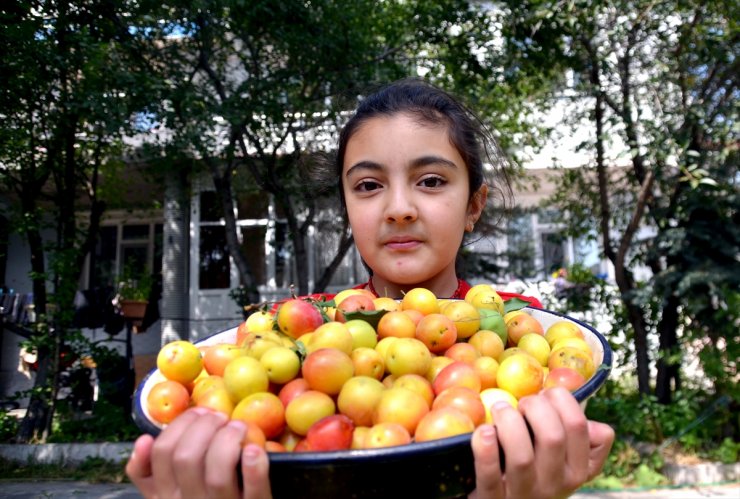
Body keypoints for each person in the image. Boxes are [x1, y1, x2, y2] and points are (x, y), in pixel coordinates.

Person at [126, 78, 614, 498]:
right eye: (367, 186)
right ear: (347, 209)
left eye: (429, 180)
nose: (398, 207)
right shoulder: (293, 331)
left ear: (473, 206)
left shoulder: (523, 329)